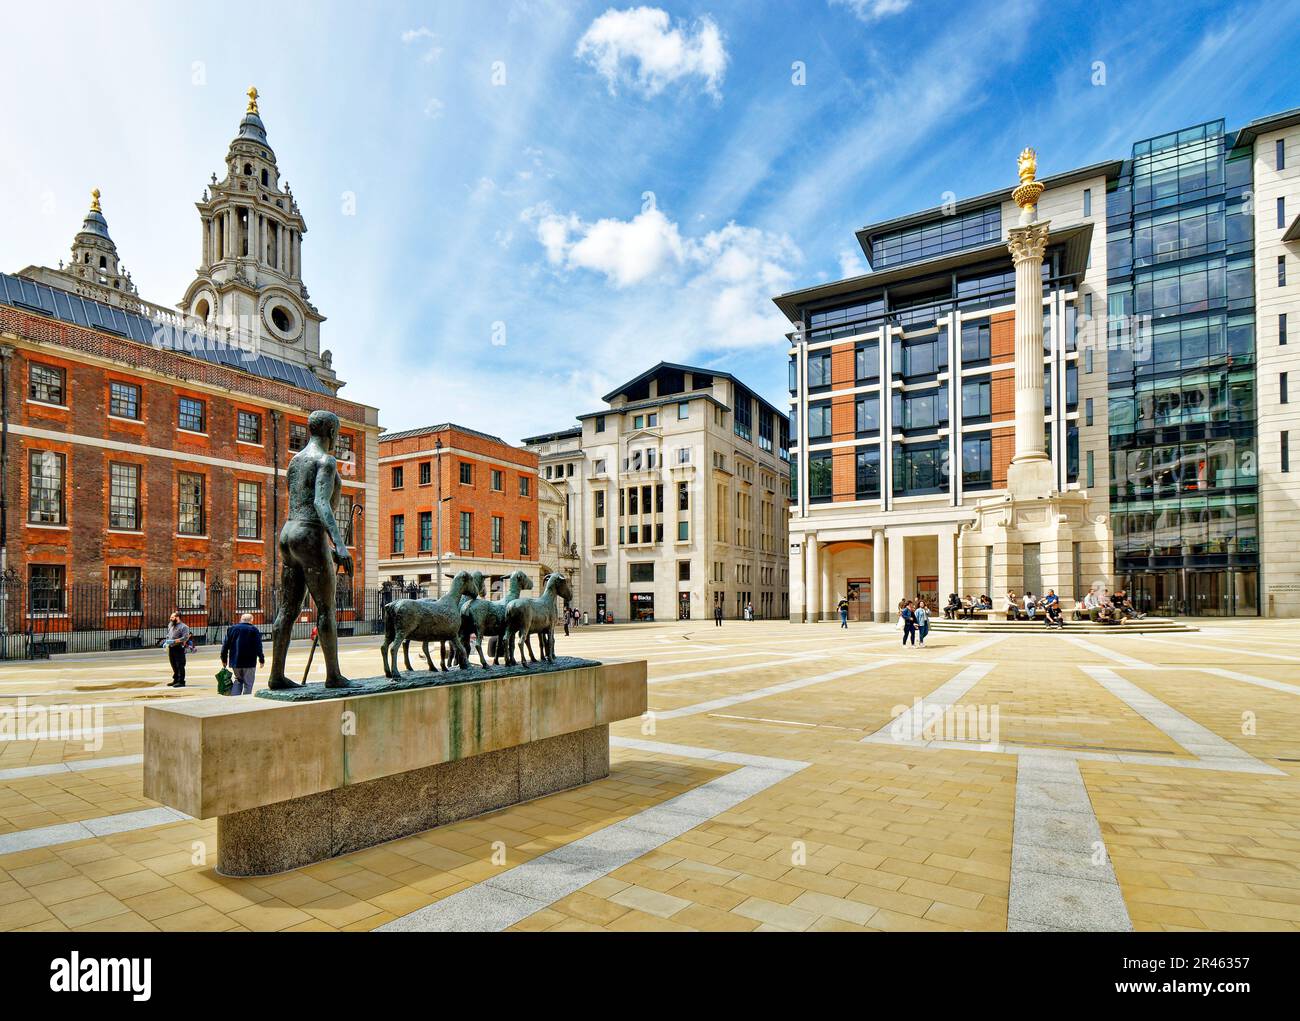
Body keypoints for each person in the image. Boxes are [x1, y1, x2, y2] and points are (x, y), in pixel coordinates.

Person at [220, 613, 265, 695]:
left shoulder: (231, 629)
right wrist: (261, 659)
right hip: (249, 661)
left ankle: (235, 699)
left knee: (238, 680)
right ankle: (245, 702)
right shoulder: (254, 630)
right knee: (248, 683)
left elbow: (225, 646)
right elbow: (259, 646)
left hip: (235, 661)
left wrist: (224, 659)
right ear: (251, 620)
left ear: (241, 619)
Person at [164, 611, 191, 687]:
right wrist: (166, 642)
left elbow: (185, 637)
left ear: (177, 618)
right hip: (171, 647)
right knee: (173, 664)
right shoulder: (171, 625)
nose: (170, 618)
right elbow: (169, 634)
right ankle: (175, 680)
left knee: (180, 665)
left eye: (172, 617)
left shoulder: (184, 627)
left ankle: (181, 681)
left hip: (178, 648)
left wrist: (175, 641)